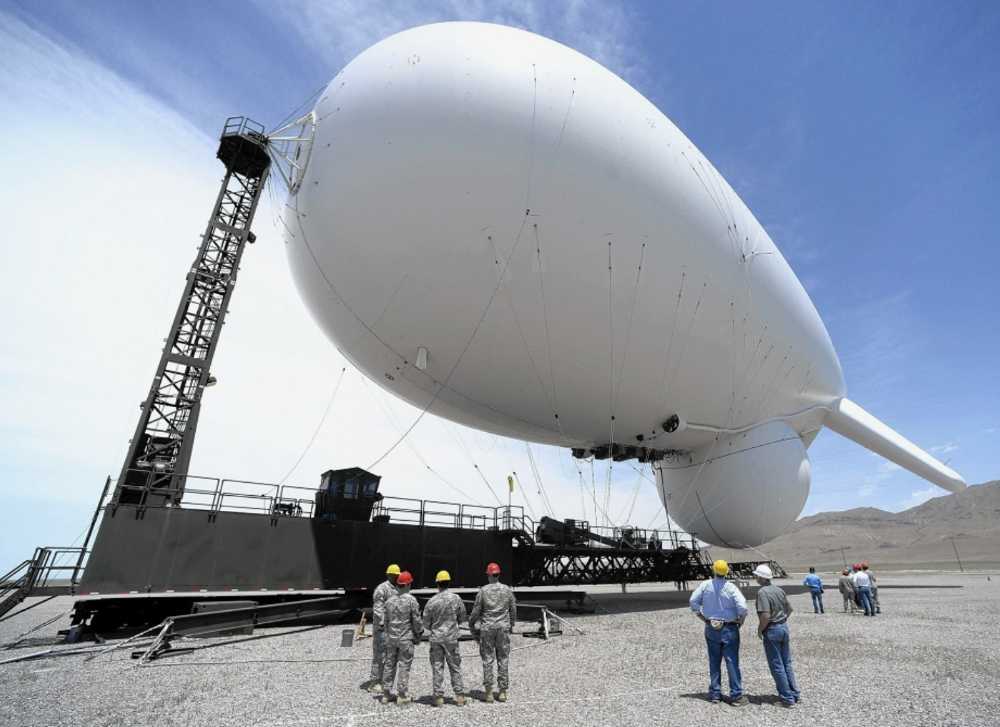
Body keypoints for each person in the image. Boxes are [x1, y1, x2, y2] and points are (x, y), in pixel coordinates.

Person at [689, 559, 748, 706]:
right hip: (729, 627)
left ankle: (715, 694)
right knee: (732, 661)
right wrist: (741, 620)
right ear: (726, 572)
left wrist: (703, 618)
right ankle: (736, 696)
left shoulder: (705, 585)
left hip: (711, 626)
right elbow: (743, 607)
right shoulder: (731, 588)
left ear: (713, 570)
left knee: (714, 661)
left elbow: (693, 601)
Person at [469, 561, 517, 703]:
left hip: (487, 629)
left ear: (489, 575)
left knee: (488, 659)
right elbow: (513, 609)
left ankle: (489, 693)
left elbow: (476, 611)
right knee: (503, 658)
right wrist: (511, 624)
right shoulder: (507, 590)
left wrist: (472, 624)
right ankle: (502, 692)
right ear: (498, 574)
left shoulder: (483, 591)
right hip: (503, 628)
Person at [754, 564, 799, 708]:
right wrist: (782, 620)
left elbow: (765, 615)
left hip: (772, 630)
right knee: (787, 663)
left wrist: (760, 629)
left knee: (777, 665)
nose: (755, 577)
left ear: (761, 577)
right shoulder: (779, 590)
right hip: (783, 627)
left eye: (756, 575)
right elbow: (790, 609)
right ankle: (794, 693)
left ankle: (786, 699)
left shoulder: (762, 593)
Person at [422, 570, 468, 707]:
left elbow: (425, 622)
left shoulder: (431, 601)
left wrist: (435, 628)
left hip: (436, 638)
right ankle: (459, 697)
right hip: (451, 638)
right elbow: (462, 616)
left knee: (437, 667)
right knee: (455, 667)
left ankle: (438, 698)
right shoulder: (456, 598)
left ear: (437, 583)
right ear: (449, 583)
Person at [381, 570, 423, 705]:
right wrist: (419, 634)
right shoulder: (411, 600)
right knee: (404, 665)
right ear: (407, 585)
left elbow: (385, 622)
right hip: (405, 639)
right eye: (410, 584)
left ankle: (386, 694)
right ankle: (402, 694)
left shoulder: (389, 601)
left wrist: (388, 636)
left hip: (391, 639)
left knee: (389, 664)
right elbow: (416, 621)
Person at [367, 563, 400, 693]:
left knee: (389, 655)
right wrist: (382, 625)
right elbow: (378, 609)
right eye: (393, 575)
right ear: (388, 575)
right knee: (379, 655)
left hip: (392, 627)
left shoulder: (396, 588)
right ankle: (374, 682)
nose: (395, 577)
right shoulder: (382, 589)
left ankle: (384, 680)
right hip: (382, 628)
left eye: (396, 575)